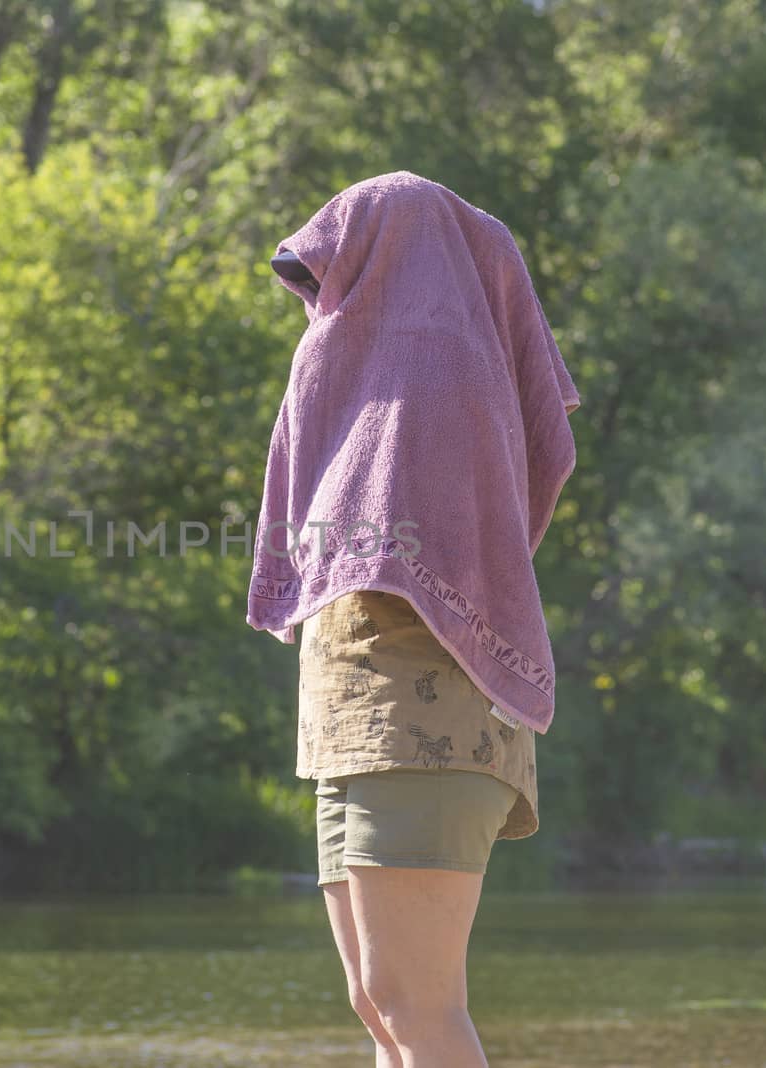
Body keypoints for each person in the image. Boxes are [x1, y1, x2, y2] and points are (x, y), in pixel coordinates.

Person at [247, 171, 582, 1067]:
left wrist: (387, 554)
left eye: (328, 268)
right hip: (343, 706)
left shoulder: (438, 352)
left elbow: (442, 522)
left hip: (422, 700)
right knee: (375, 998)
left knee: (418, 1001)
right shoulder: (353, 348)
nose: (318, 294)